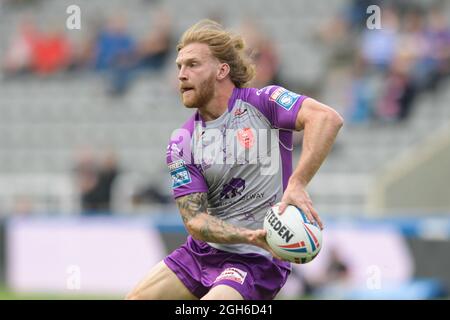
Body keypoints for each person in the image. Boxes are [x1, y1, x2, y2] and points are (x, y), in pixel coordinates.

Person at [126, 20, 343, 300]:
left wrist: (298, 182)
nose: (182, 74)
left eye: (192, 64)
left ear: (222, 70)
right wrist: (246, 234)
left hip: (256, 260)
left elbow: (327, 118)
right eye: (179, 66)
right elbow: (195, 220)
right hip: (201, 253)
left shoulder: (265, 102)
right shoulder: (183, 141)